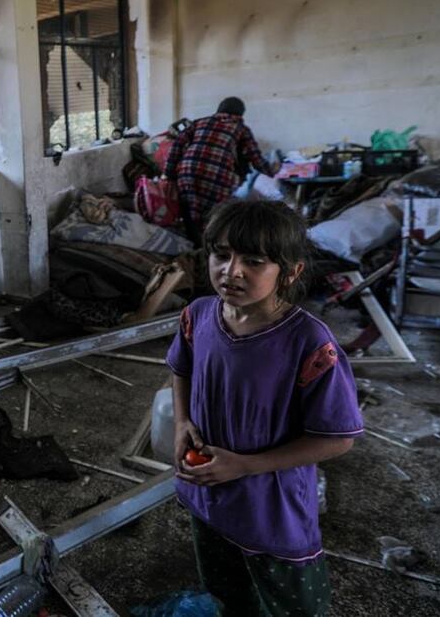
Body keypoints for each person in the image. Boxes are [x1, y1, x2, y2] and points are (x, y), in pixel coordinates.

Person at [167, 200, 363, 616]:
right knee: (225, 589)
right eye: (222, 255)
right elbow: (180, 368)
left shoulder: (309, 343)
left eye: (254, 261)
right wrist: (182, 422)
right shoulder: (197, 315)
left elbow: (338, 439)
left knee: (292, 602)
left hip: (270, 506)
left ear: (290, 272)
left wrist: (244, 465)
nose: (231, 270)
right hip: (207, 489)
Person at [163, 97, 272, 246]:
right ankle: (208, 249)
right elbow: (255, 158)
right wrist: (273, 172)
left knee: (189, 211)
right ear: (240, 114)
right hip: (217, 178)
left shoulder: (200, 122)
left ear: (219, 110)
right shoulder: (241, 129)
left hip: (188, 172)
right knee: (213, 217)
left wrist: (169, 174)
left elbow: (177, 144)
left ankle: (193, 247)